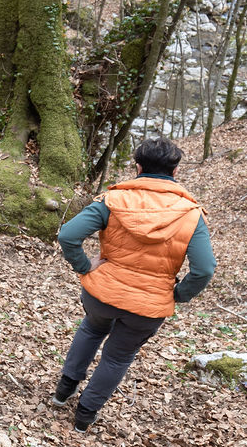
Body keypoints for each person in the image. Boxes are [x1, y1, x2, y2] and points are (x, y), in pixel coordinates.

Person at [52, 136, 215, 431]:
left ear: (138, 167)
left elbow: (67, 236)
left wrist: (85, 266)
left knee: (91, 328)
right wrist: (178, 294)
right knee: (118, 357)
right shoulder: (191, 215)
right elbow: (204, 269)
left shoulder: (112, 201)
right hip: (147, 307)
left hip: (102, 292)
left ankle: (64, 391)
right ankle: (84, 416)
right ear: (175, 172)